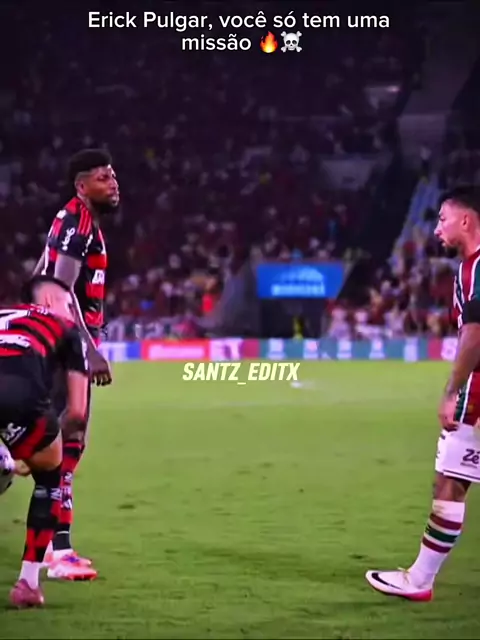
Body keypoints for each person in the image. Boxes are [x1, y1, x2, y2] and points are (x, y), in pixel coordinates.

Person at [366, 185, 480, 602]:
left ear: (466, 220)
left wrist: (452, 390)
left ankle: (419, 580)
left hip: (478, 389)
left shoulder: (476, 267)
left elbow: (475, 334)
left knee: (450, 483)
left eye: (442, 219)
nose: (436, 229)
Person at [33, 148, 119, 580]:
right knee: (64, 440)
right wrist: (88, 348)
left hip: (57, 342)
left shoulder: (77, 221)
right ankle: (57, 551)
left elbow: (44, 277)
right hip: (63, 345)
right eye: (103, 177)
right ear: (81, 186)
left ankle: (57, 547)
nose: (113, 183)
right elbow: (60, 290)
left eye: (113, 175)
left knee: (65, 443)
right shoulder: (78, 224)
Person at [0, 275, 89, 608]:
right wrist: (38, 450)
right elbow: (77, 413)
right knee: (51, 472)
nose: (73, 313)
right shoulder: (65, 329)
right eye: (70, 305)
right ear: (50, 301)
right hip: (17, 395)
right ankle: (28, 583)